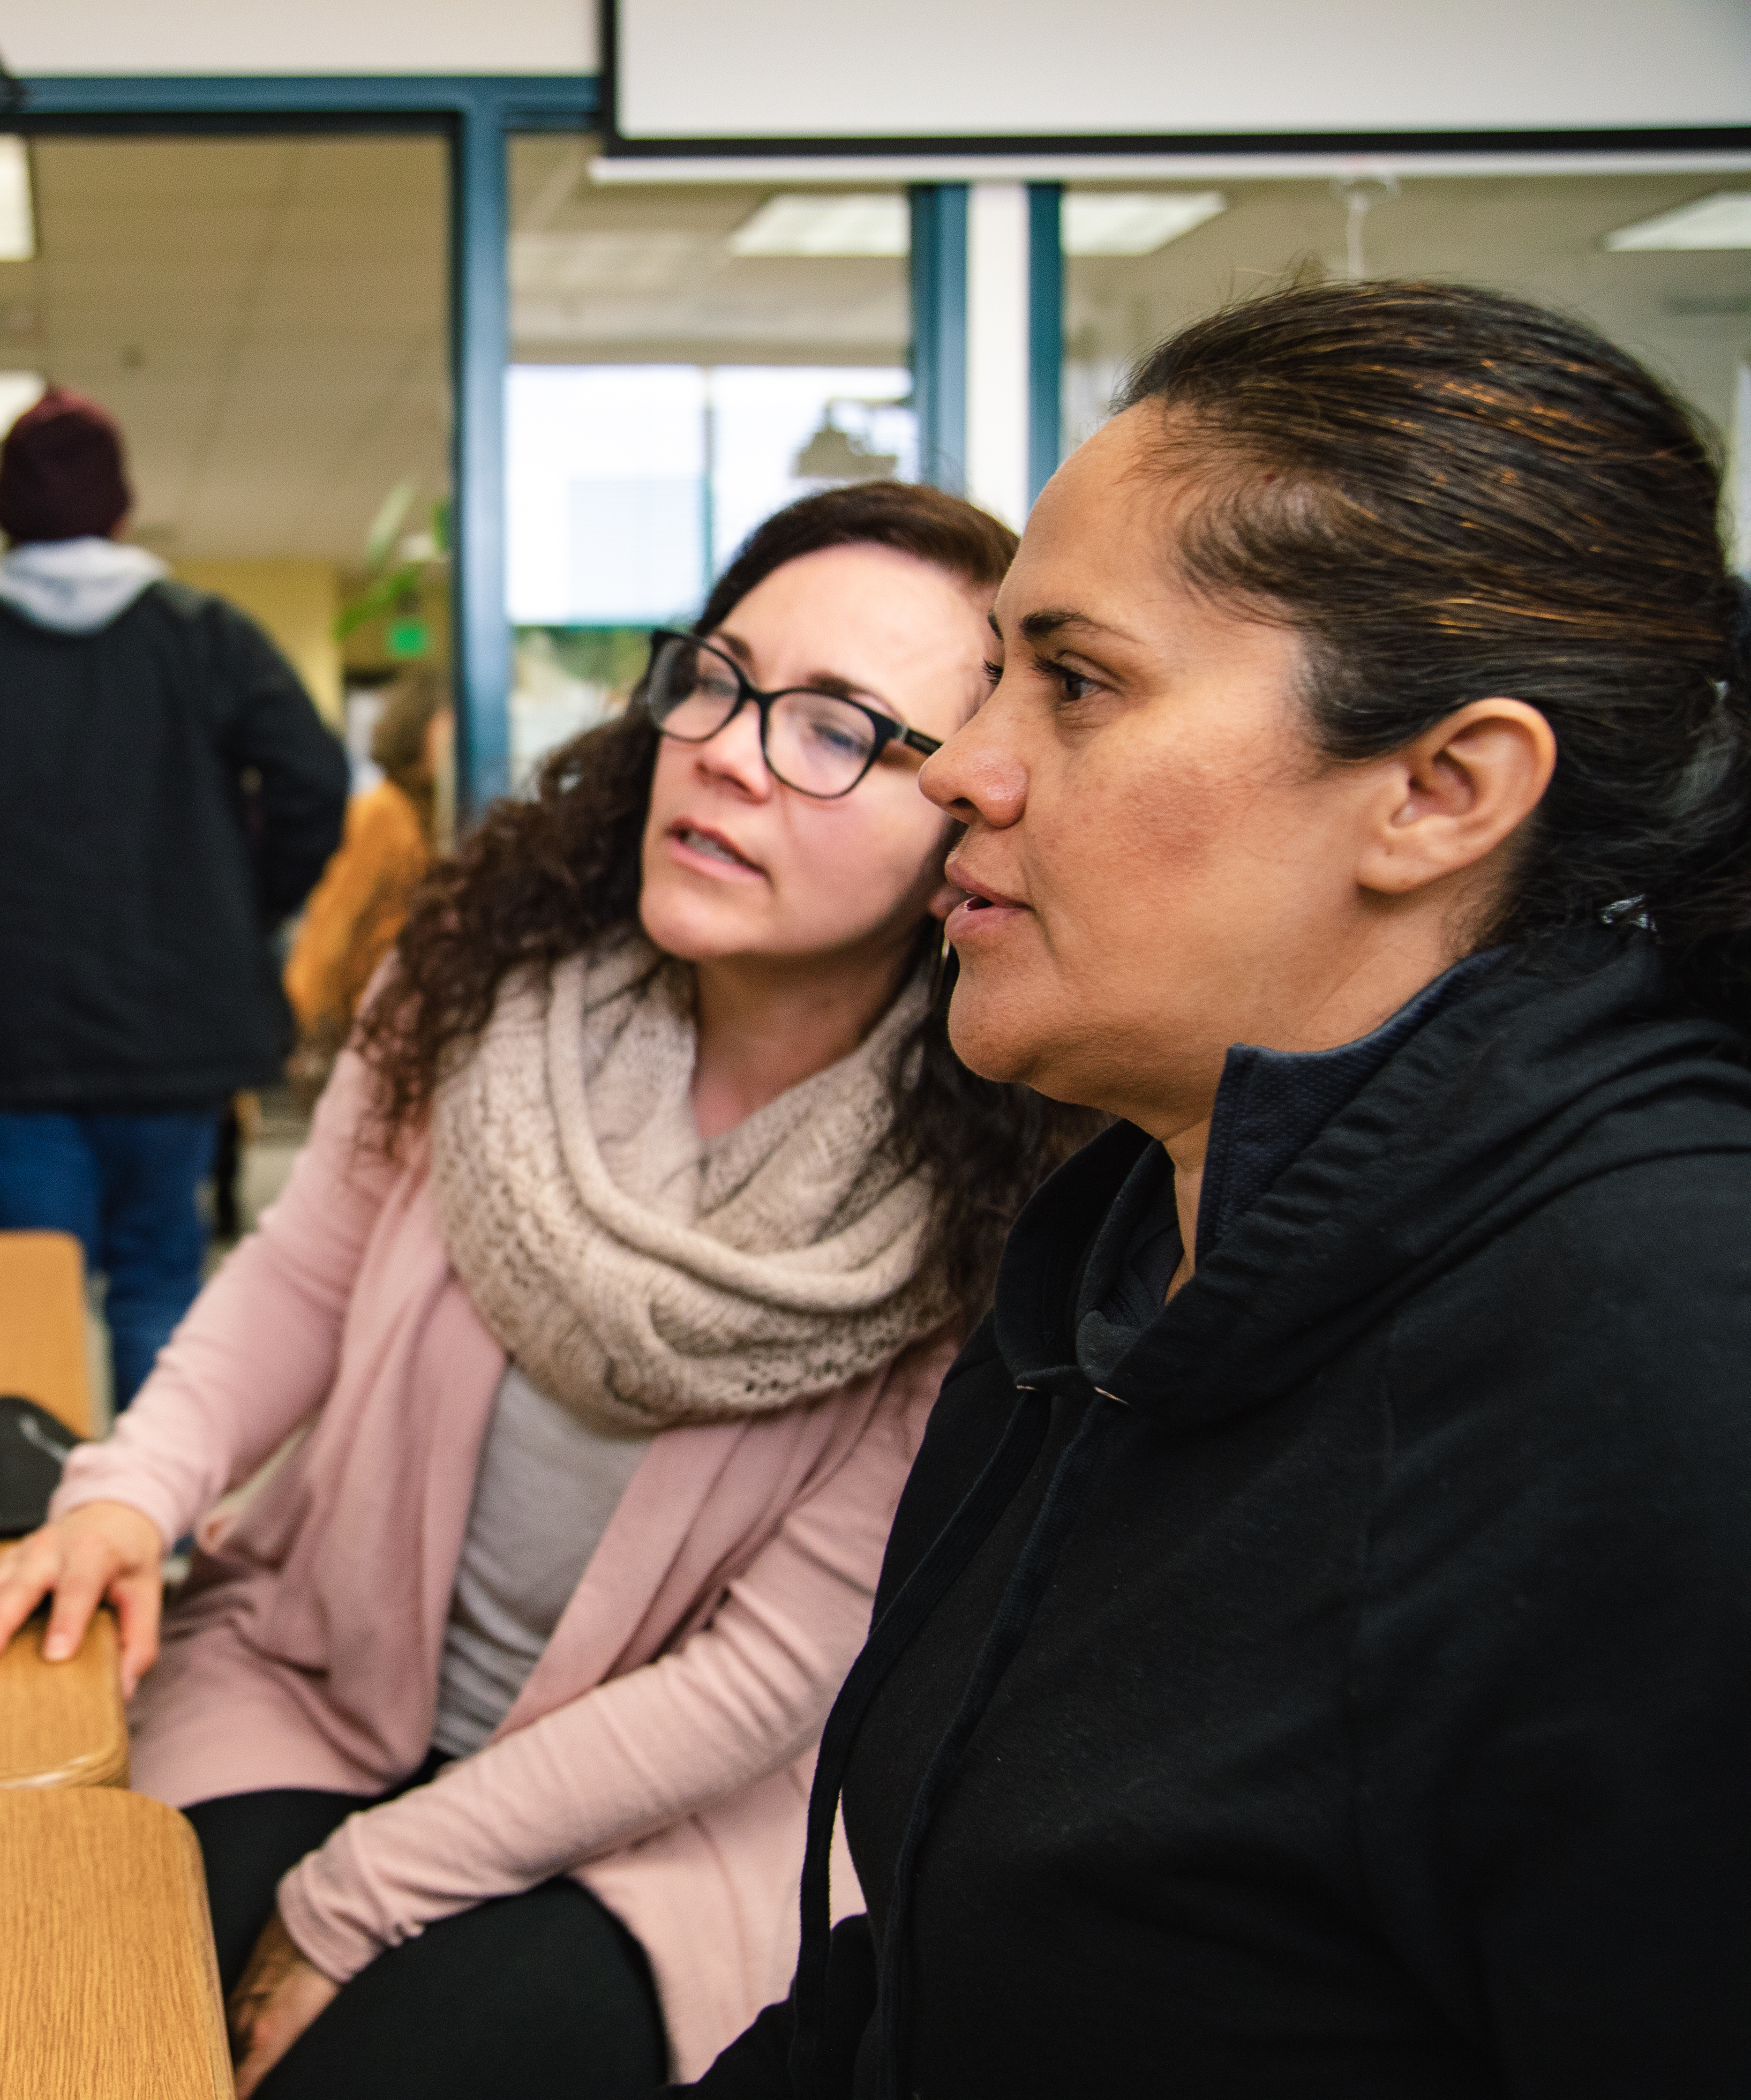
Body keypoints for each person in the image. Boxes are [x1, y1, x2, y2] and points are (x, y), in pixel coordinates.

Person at [694, 281, 1751, 2098]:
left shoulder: (1662, 1370)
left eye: (1077, 683)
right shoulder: (1130, 1242)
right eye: (997, 674)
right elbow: (959, 1978)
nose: (962, 769)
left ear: (1441, 790)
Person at [0, 483, 1093, 2098]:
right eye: (718, 680)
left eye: (835, 729)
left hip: (659, 1820)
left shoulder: (997, 1202)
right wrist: (128, 1495)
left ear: (967, 813)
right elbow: (299, 1277)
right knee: (66, 2007)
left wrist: (357, 1895)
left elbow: (766, 1675)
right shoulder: (480, 980)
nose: (727, 752)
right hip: (315, 1684)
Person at [0, 388, 346, 1405]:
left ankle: (33, 1499)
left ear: (2, 513)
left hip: (4, 1041)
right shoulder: (209, 639)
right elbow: (315, 781)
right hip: (171, 1035)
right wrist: (245, 908)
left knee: (24, 1308)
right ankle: (148, 1505)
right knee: (158, 1286)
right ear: (123, 508)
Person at [283, 665, 455, 1096]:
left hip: (404, 1034)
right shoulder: (383, 812)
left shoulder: (430, 815)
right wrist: (299, 1028)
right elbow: (331, 926)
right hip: (371, 1036)